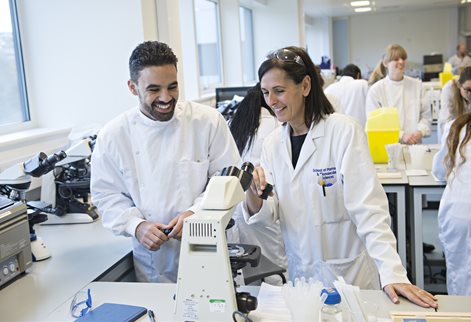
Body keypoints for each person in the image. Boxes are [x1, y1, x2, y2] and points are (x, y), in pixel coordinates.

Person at [242, 45, 438, 308]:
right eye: (266, 93)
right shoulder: (272, 144)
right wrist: (253, 195)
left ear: (305, 86)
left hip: (349, 277)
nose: (271, 101)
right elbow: (269, 213)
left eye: (279, 91)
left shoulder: (343, 132)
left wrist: (393, 273)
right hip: (302, 280)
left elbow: (369, 210)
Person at [90, 41, 241, 283]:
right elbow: (105, 195)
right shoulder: (113, 135)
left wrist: (197, 212)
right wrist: (136, 226)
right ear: (132, 87)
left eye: (172, 87)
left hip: (209, 248)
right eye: (153, 89)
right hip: (153, 263)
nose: (165, 97)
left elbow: (230, 180)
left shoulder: (207, 121)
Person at [227, 83, 287, 279]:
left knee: (246, 274)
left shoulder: (233, 126)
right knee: (276, 276)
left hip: (237, 212)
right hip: (265, 209)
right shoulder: (278, 127)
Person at [432, 113, 471, 295]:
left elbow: (439, 170)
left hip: (458, 212)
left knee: (460, 278)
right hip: (460, 210)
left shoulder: (457, 125)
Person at [366, 44, 432, 145]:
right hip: (388, 147)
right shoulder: (376, 90)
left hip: (415, 145)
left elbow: (426, 116)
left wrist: (420, 131)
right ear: (385, 63)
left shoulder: (417, 85)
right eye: (396, 59)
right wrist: (401, 135)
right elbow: (376, 123)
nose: (401, 62)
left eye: (403, 58)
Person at [438, 66, 471, 137]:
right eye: (468, 90)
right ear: (459, 85)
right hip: (451, 133)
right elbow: (446, 122)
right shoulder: (449, 90)